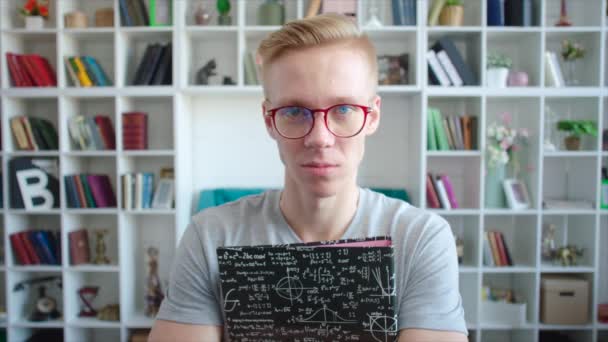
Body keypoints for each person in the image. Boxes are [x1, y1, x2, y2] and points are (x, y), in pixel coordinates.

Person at [149, 13, 467, 342]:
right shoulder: (210, 237)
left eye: (343, 110)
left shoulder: (420, 240)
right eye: (295, 112)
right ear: (269, 121)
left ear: (372, 116)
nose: (319, 137)